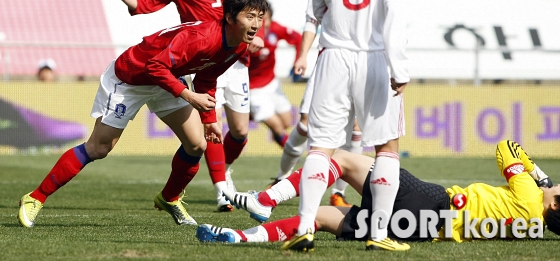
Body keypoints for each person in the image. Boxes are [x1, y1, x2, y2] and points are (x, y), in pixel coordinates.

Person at [17, 0, 269, 229]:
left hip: (167, 79)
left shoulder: (238, 44)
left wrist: (209, 117)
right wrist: (191, 98)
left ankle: (169, 198)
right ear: (229, 17)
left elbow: (206, 77)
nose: (256, 24)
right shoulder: (201, 38)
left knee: (197, 144)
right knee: (99, 147)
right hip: (131, 76)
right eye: (249, 17)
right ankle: (35, 197)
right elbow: (154, 67)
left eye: (259, 17)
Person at [104, 0, 265, 212]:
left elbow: (257, 7)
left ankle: (223, 172)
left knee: (241, 132)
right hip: (201, 56)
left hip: (234, 56)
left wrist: (256, 35)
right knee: (210, 121)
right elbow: (148, 2)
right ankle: (222, 189)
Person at [284, 0, 410, 252]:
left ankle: (305, 226)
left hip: (333, 57)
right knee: (386, 148)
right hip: (374, 60)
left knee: (320, 147)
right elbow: (393, 16)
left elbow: (315, 11)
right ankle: (379, 233)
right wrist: (399, 68)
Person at [197, 140, 559, 244]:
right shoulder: (535, 227)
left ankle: (265, 199)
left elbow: (507, 147)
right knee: (321, 219)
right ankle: (237, 238)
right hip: (424, 231)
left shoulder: (532, 194)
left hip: (430, 201)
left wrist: (539, 176)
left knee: (340, 158)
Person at [266, 0, 362, 209]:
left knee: (356, 130)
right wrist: (304, 55)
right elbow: (312, 17)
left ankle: (339, 193)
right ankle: (283, 177)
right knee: (306, 127)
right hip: (329, 61)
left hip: (361, 63)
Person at [248, 5, 301, 148]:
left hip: (272, 83)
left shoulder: (276, 30)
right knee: (277, 126)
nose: (261, 23)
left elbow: (298, 39)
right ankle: (293, 157)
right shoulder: (244, 36)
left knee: (287, 122)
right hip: (252, 90)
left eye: (265, 19)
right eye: (257, 19)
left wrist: (297, 62)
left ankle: (249, 115)